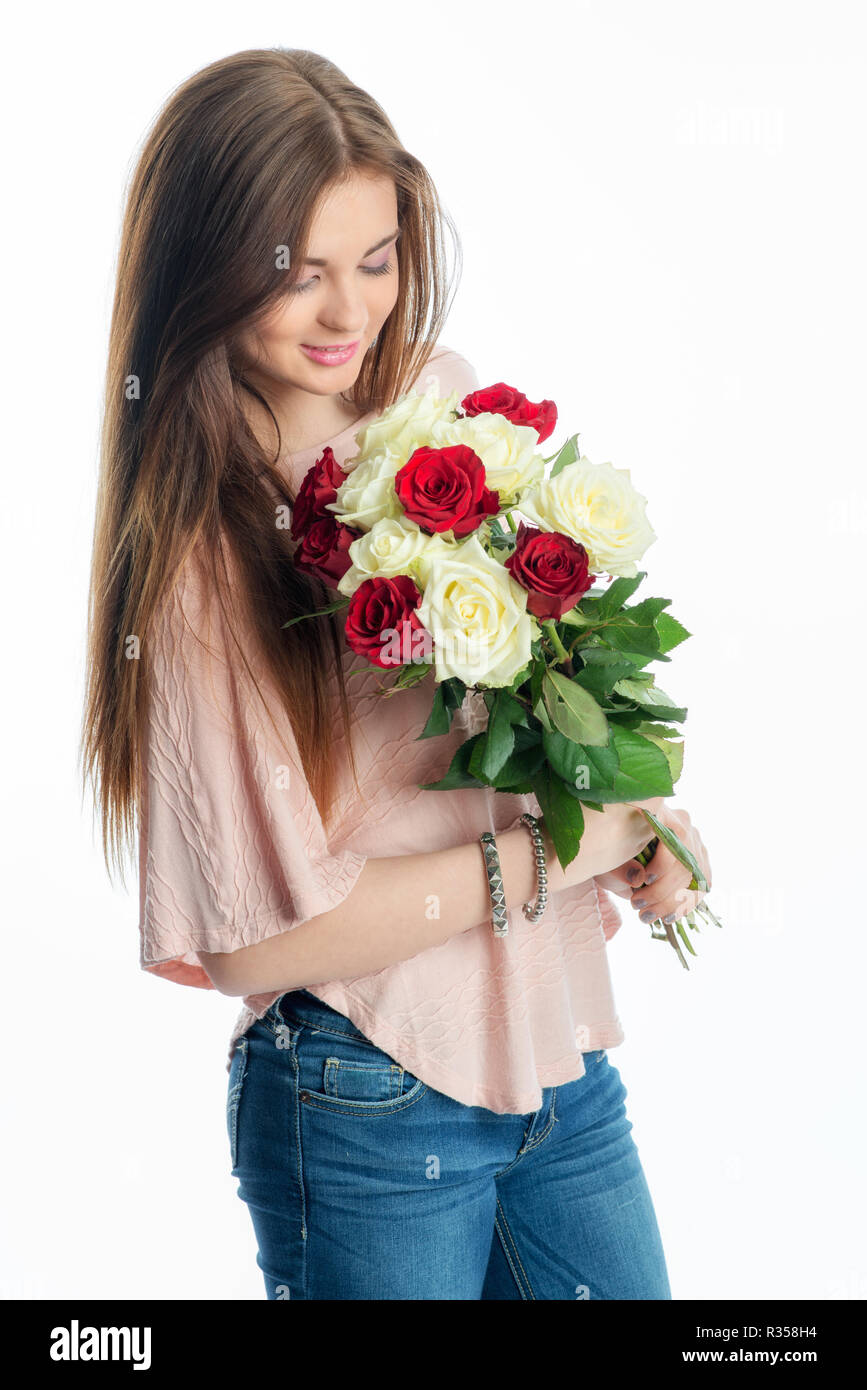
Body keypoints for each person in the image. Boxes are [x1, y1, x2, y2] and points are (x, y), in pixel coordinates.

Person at [81, 47, 712, 1301]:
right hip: (363, 1085)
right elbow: (263, 946)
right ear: (203, 269)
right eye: (295, 274)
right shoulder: (202, 550)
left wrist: (639, 815)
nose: (347, 314)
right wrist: (564, 852)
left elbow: (525, 712)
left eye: (374, 262)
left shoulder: (443, 411)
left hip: (554, 1052)